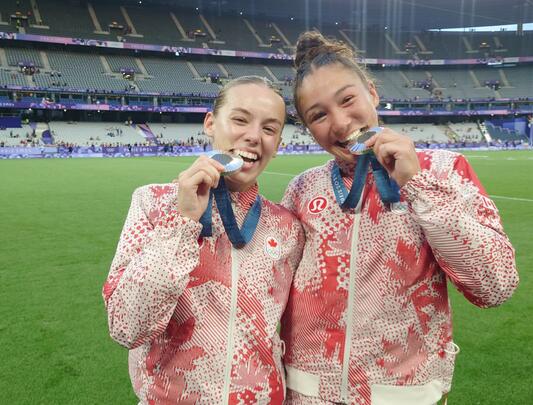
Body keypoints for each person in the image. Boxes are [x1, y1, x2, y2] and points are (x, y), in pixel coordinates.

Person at [280, 31, 518, 405]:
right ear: (308, 128)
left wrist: (416, 184)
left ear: (372, 93)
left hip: (403, 394)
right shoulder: (302, 189)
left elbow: (495, 285)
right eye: (319, 115)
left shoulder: (443, 170)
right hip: (306, 392)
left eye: (347, 100)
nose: (341, 123)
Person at [103, 76, 303, 404]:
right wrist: (182, 223)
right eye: (240, 119)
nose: (254, 136)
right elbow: (127, 327)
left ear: (279, 143)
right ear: (210, 123)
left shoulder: (287, 228)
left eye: (270, 129)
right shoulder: (152, 203)